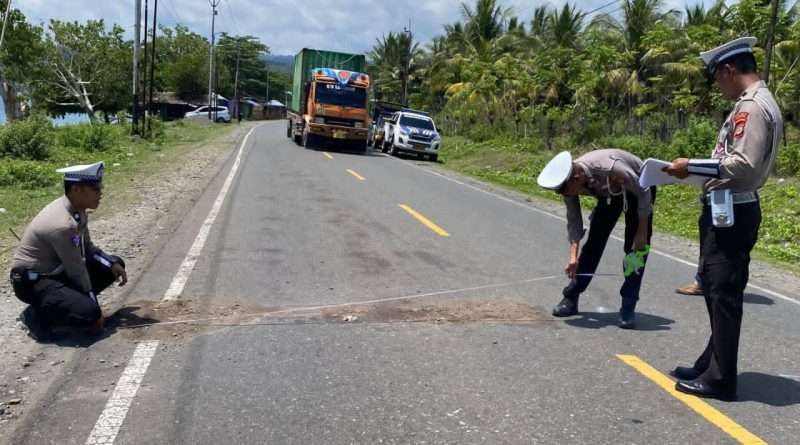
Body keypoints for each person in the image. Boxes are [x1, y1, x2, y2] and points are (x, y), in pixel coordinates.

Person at [663, 37, 782, 400]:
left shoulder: (751, 107)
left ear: (729, 70)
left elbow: (743, 164)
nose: (718, 86)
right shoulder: (760, 101)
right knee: (717, 291)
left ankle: (721, 379)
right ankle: (710, 364)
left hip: (734, 210)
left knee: (723, 295)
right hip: (732, 207)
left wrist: (691, 166)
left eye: (717, 78)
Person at [9, 162, 128, 342]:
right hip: (33, 281)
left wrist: (111, 263)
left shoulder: (77, 209)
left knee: (114, 265)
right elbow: (77, 270)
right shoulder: (63, 224)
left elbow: (87, 247)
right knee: (90, 314)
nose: (100, 192)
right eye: (95, 188)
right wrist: (96, 313)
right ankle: (36, 316)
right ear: (76, 189)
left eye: (100, 187)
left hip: (56, 272)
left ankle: (67, 305)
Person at [537, 149, 655, 329]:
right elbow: (574, 219)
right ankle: (571, 297)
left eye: (566, 191)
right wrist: (573, 257)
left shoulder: (612, 168)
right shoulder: (569, 182)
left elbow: (643, 192)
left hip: (638, 188)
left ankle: (628, 305)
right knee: (593, 244)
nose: (566, 195)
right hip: (609, 194)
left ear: (577, 178)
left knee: (636, 251)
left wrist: (642, 232)